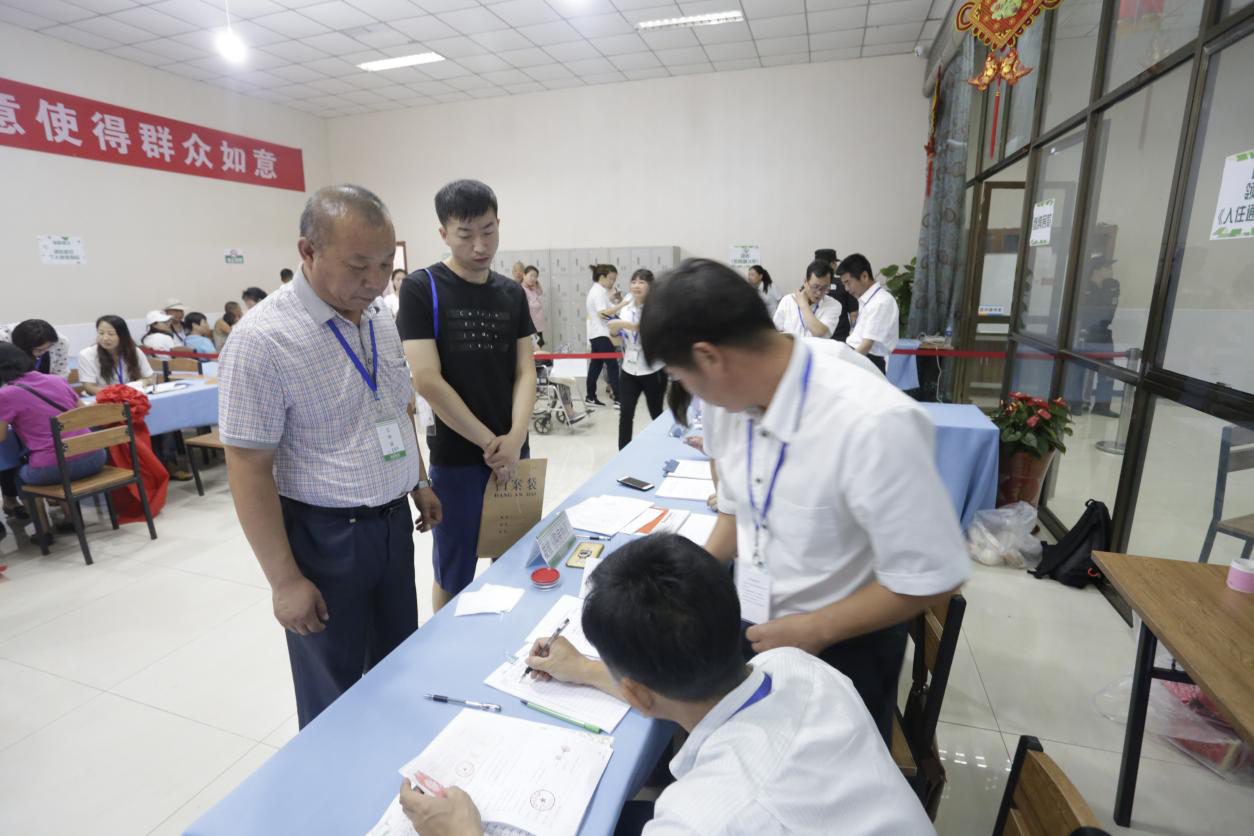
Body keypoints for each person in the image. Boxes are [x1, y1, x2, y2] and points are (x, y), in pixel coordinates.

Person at [398, 534, 934, 836]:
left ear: (638, 692)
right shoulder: (799, 668)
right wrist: (585, 669)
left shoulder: (700, 820)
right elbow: (682, 696)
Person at [639, 258, 968, 743]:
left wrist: (816, 629)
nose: (686, 391)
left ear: (709, 358)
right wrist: (687, 583)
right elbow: (735, 510)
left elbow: (933, 576)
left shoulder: (872, 423)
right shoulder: (731, 400)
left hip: (841, 647)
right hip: (758, 622)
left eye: (679, 375)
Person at [219, 184, 442, 729]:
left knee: (398, 664)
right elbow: (248, 468)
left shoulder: (378, 316)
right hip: (325, 539)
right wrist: (284, 581)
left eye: (385, 265)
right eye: (359, 266)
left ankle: (393, 758)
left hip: (391, 526)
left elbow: (395, 407)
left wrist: (418, 480)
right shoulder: (262, 340)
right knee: (333, 690)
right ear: (308, 251)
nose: (375, 281)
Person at [397, 179, 536, 613]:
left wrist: (515, 439)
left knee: (512, 563)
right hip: (458, 458)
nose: (480, 245)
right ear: (443, 233)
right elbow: (427, 379)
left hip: (513, 454)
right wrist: (490, 443)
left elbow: (525, 370)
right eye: (465, 234)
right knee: (454, 572)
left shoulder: (511, 292)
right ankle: (448, 648)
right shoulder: (422, 288)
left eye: (489, 231)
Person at [0, 343, 105, 544]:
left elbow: (1, 436)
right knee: (53, 462)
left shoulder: (6, 394)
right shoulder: (57, 380)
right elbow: (83, 413)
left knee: (21, 474)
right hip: (94, 456)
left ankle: (43, 531)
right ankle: (71, 519)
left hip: (54, 467)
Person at [609, 269, 667, 449]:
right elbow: (617, 341)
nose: (636, 285)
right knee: (625, 414)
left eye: (642, 282)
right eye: (634, 281)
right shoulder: (625, 309)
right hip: (629, 369)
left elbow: (645, 328)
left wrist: (620, 324)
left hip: (652, 370)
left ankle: (664, 449)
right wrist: (614, 331)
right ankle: (622, 453)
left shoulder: (657, 308)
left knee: (656, 413)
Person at [1065, 255, 1120, 416]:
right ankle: (1075, 403)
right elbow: (1083, 312)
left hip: (1103, 332)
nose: (1110, 270)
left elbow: (1110, 311)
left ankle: (1102, 406)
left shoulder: (1112, 286)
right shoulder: (1084, 287)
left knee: (1108, 370)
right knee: (1078, 369)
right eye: (1107, 267)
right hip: (1085, 332)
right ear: (1096, 270)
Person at [839, 253, 899, 375]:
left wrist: (846, 366)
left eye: (848, 282)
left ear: (864, 276)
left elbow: (866, 345)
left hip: (867, 360)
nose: (846, 288)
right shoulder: (867, 299)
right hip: (860, 356)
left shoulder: (881, 302)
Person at [77, 315, 155, 396]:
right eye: (101, 333)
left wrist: (143, 382)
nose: (105, 338)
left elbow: (151, 378)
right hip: (103, 399)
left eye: (111, 334)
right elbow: (89, 387)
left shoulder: (135, 351)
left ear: (123, 335)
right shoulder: (86, 355)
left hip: (131, 396)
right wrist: (118, 394)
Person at [585, 263, 628, 407]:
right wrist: (622, 304)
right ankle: (619, 398)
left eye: (614, 279)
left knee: (596, 366)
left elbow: (611, 310)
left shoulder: (600, 291)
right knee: (612, 365)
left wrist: (618, 301)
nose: (612, 282)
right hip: (601, 334)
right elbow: (603, 313)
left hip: (598, 333)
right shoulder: (598, 292)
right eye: (611, 279)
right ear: (602, 277)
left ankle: (590, 397)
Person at [771, 260, 843, 339]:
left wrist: (803, 305)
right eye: (815, 287)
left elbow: (818, 332)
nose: (819, 293)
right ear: (805, 281)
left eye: (825, 288)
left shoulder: (833, 305)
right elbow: (775, 331)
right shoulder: (788, 301)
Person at [815, 248, 858, 342]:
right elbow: (854, 314)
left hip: (816, 338)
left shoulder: (808, 286)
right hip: (840, 338)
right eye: (835, 263)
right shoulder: (844, 283)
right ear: (832, 264)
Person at [521, 265, 545, 346]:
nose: (533, 278)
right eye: (531, 275)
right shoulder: (521, 290)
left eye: (535, 277)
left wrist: (536, 284)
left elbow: (540, 292)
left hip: (538, 327)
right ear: (524, 275)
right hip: (530, 329)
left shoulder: (532, 289)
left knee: (539, 347)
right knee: (533, 350)